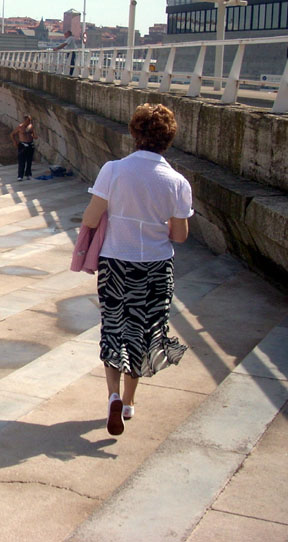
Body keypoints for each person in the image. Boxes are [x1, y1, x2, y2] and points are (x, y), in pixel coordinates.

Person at [80, 103, 193, 436]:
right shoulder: (177, 182)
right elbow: (180, 236)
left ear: (135, 133)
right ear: (167, 139)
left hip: (116, 262)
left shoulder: (113, 170)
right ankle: (128, 402)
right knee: (144, 333)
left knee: (114, 328)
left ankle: (112, 395)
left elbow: (91, 216)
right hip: (156, 267)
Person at [10, 115, 36, 181]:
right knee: (22, 161)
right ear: (24, 120)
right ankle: (20, 175)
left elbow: (34, 135)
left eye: (29, 121)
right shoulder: (20, 127)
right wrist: (15, 142)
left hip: (30, 144)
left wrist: (33, 135)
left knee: (29, 161)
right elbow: (12, 134)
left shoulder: (31, 127)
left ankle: (28, 174)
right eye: (27, 121)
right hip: (23, 144)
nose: (28, 122)